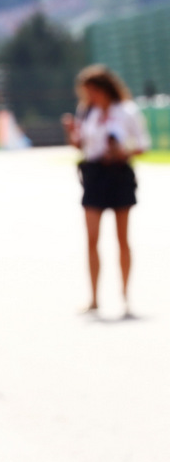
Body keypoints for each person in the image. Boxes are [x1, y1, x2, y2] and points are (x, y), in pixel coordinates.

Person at [61, 65, 149, 317]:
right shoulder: (86, 111)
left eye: (93, 91)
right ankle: (94, 297)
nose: (90, 96)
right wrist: (71, 133)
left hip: (119, 173)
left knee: (122, 239)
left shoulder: (127, 111)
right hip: (94, 174)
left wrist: (123, 152)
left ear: (104, 88)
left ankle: (125, 295)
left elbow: (143, 144)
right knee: (91, 239)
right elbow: (80, 146)